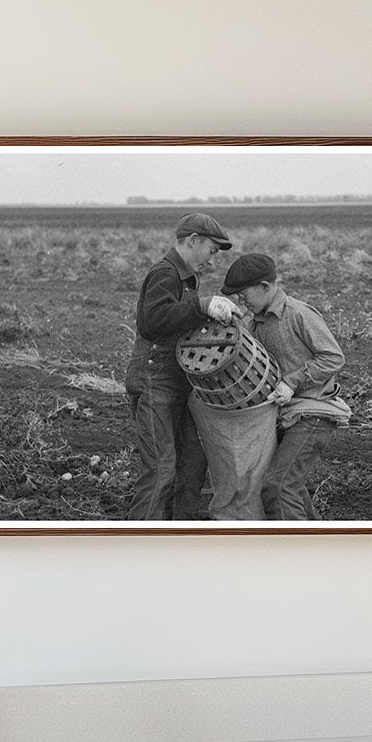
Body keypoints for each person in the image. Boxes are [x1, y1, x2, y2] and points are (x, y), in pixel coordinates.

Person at [124, 212, 239, 519]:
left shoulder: (186, 277)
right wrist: (200, 305)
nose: (211, 261)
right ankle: (141, 537)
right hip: (154, 382)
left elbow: (178, 320)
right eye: (211, 251)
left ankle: (180, 532)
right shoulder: (165, 273)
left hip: (176, 382)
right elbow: (151, 321)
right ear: (192, 241)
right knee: (161, 468)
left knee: (190, 464)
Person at [221, 253, 350, 520]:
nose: (242, 302)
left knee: (278, 487)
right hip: (288, 416)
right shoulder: (255, 323)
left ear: (265, 286)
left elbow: (333, 357)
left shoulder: (297, 313)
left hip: (314, 414)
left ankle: (292, 544)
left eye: (244, 295)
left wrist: (292, 381)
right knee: (291, 487)